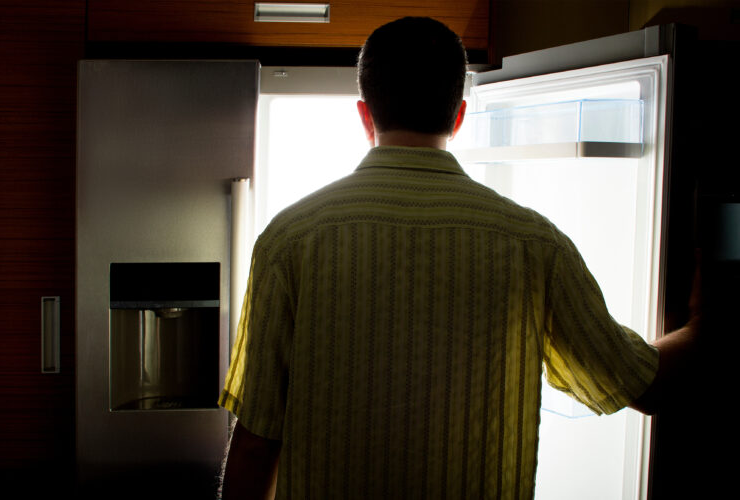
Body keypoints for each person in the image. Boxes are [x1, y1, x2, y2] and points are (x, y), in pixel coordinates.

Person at [218, 17, 699, 500]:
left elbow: (257, 443)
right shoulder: (532, 242)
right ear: (459, 116)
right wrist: (704, 325)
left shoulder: (290, 238)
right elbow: (642, 384)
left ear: (365, 116)